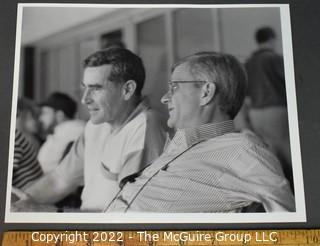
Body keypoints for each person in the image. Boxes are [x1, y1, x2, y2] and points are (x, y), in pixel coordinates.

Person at [105, 51, 295, 213]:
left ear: (206, 92)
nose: (164, 98)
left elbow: (291, 226)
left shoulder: (242, 151)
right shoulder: (177, 146)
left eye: (174, 87)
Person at [13, 47, 166, 212]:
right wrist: (16, 204)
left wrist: (49, 212)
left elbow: (128, 214)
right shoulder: (96, 126)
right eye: (84, 88)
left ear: (127, 90)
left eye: (96, 88)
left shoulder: (146, 127)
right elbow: (59, 180)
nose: (84, 99)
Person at [245, 27, 292, 188]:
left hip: (256, 113)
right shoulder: (274, 59)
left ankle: (277, 189)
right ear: (272, 39)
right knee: (289, 149)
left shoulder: (249, 63)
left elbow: (247, 93)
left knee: (271, 152)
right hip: (276, 110)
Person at [37, 92, 85, 174]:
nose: (40, 118)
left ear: (60, 114)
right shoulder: (61, 132)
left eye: (45, 113)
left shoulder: (74, 131)